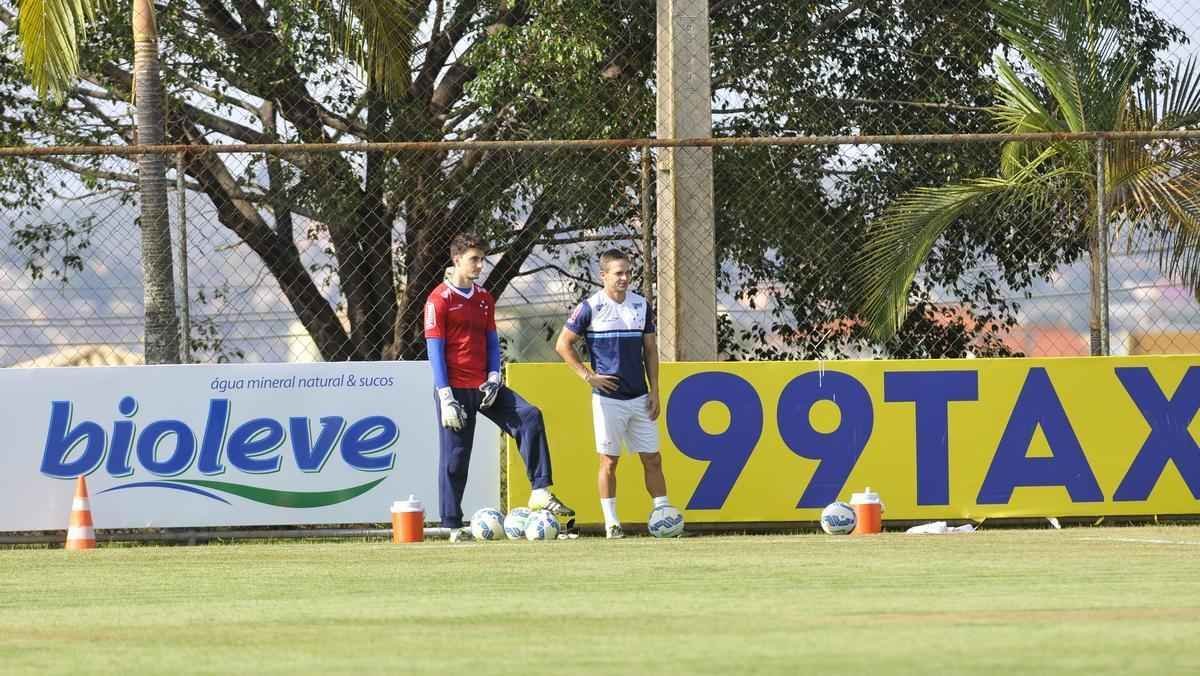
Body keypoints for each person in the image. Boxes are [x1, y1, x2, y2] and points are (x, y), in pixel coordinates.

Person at [425, 232, 574, 542]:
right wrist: (444, 394)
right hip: (454, 389)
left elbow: (492, 341)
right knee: (455, 458)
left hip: (484, 387)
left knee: (529, 416)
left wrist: (494, 376)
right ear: (456, 260)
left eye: (483, 259)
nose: (480, 265)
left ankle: (540, 490)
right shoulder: (439, 300)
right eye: (474, 259)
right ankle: (452, 525)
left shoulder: (483, 299)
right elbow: (435, 350)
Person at [555, 249, 673, 539]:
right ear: (603, 275)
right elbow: (563, 345)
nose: (624, 278)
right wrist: (588, 376)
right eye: (618, 273)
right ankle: (612, 523)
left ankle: (664, 516)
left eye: (628, 273)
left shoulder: (641, 305)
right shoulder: (590, 307)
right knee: (609, 461)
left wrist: (655, 390)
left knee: (653, 458)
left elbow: (649, 350)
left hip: (640, 397)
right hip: (609, 400)